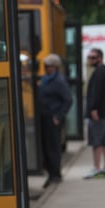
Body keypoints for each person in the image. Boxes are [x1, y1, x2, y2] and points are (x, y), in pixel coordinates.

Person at [38, 54, 73, 188]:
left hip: (53, 118)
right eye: (45, 66)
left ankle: (55, 174)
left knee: (53, 147)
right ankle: (51, 172)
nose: (46, 69)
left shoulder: (59, 81)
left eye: (48, 66)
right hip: (45, 117)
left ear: (55, 67)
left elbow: (68, 100)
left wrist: (59, 116)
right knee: (47, 146)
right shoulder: (46, 79)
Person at [84, 48, 105, 179]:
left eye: (93, 58)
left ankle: (97, 167)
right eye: (89, 57)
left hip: (100, 113)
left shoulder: (98, 73)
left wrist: (93, 109)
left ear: (100, 58)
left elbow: (96, 93)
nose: (90, 60)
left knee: (96, 142)